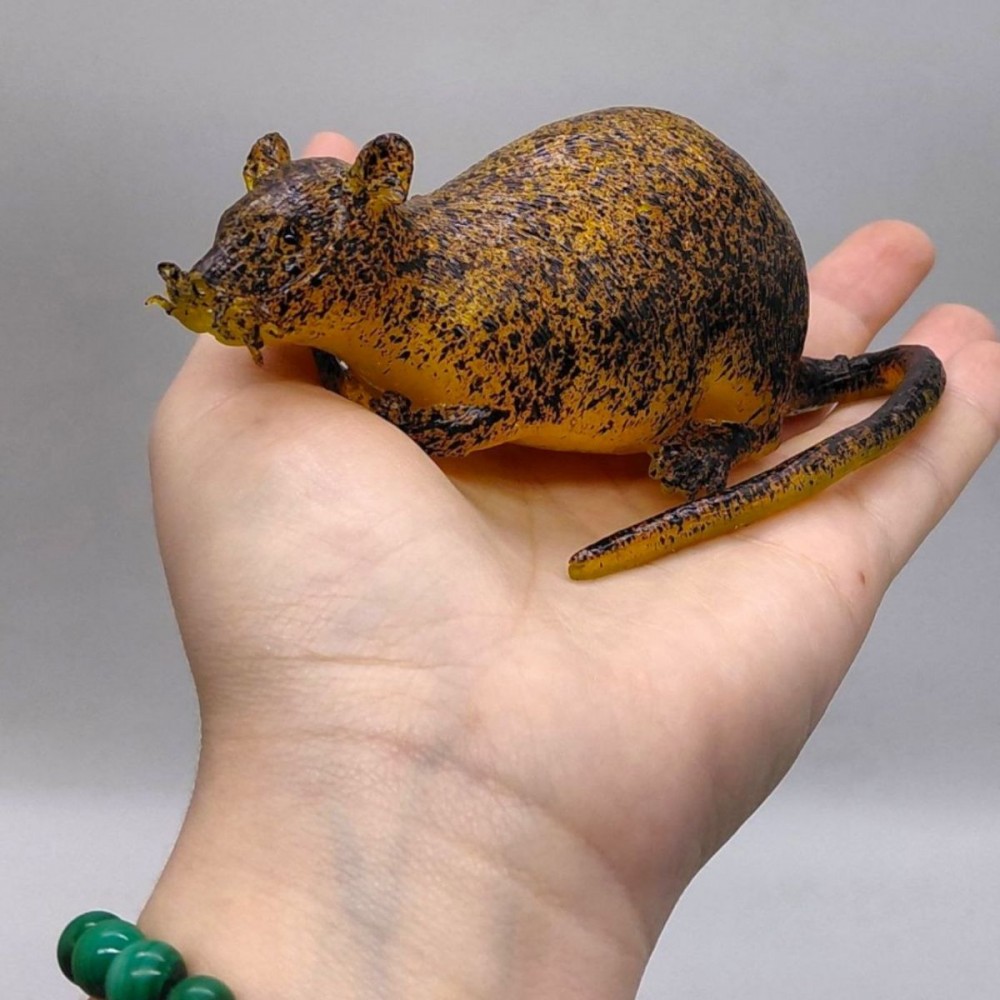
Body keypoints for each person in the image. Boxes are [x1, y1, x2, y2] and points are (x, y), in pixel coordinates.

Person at [138, 131, 1000, 999]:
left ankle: (740, 420)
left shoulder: (466, 322)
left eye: (290, 248)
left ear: (382, 194)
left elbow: (503, 397)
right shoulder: (387, 323)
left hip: (710, 335)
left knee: (732, 372)